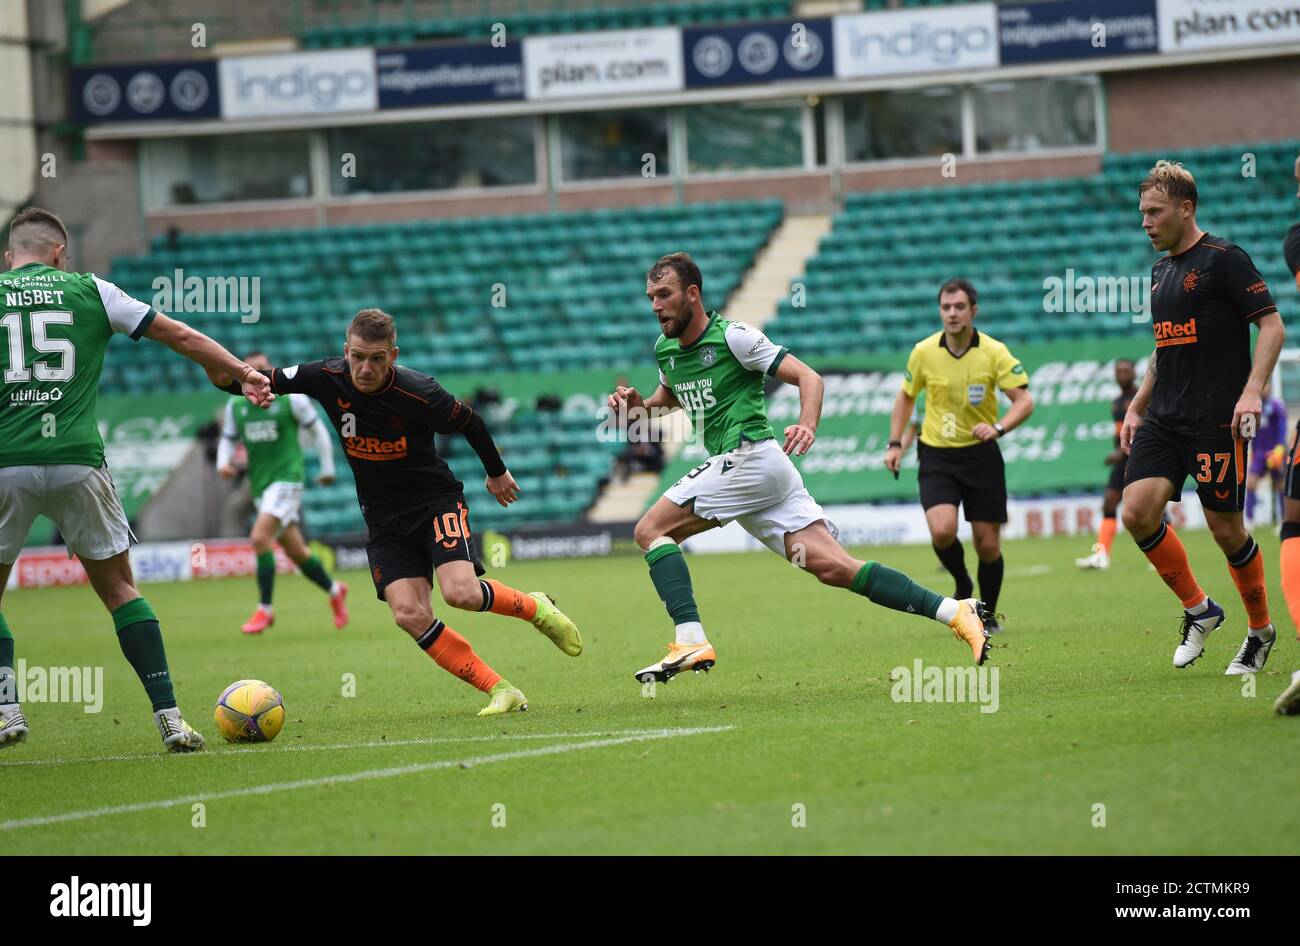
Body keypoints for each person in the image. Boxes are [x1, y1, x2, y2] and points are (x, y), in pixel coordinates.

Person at [608, 253, 992, 684]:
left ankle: (691, 638)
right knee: (835, 568)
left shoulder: (734, 338)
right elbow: (672, 398)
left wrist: (807, 424)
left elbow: (810, 378)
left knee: (650, 531)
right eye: (651, 297)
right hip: (761, 479)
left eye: (665, 295)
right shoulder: (666, 350)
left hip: (750, 458)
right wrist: (637, 407)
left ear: (692, 294)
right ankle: (955, 611)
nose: (656, 305)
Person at [210, 308, 582, 716]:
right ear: (345, 351)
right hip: (383, 517)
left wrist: (496, 473)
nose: (365, 368)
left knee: (461, 593)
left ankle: (537, 608)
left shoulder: (419, 391)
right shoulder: (324, 377)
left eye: (377, 359)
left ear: (394, 355)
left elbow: (470, 422)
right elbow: (259, 380)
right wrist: (220, 373)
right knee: (408, 614)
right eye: (357, 357)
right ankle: (502, 689)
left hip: (434, 501)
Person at [0, 207, 272, 752]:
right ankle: (170, 718)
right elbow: (182, 335)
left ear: (10, 258)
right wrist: (243, 372)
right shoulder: (91, 289)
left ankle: (6, 709)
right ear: (60, 252)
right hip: (78, 460)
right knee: (121, 590)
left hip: (6, 461)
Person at [1119, 160, 1284, 674]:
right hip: (1166, 416)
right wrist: (1139, 404)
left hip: (1217, 419)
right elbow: (1162, 351)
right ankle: (1200, 609)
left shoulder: (1225, 259)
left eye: (1155, 212)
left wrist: (1252, 392)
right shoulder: (1160, 270)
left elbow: (1273, 327)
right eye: (1142, 212)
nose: (1145, 222)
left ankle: (1260, 631)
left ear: (1185, 209)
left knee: (1225, 529)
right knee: (1136, 511)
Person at [885, 278, 1035, 633]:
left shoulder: (994, 351)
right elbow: (906, 396)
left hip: (981, 456)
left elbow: (1024, 401)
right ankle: (962, 582)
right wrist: (895, 443)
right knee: (941, 531)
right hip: (937, 455)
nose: (952, 314)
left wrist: (998, 428)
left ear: (973, 311)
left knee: (987, 544)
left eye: (959, 307)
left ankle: (987, 613)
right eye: (946, 307)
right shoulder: (923, 351)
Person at [217, 350, 349, 634]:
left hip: (288, 478)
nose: (257, 376)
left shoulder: (292, 399)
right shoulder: (235, 406)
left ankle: (265, 610)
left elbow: (319, 432)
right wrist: (222, 464)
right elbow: (227, 439)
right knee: (295, 550)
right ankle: (336, 590)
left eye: (262, 370)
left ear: (270, 370)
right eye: (250, 372)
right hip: (261, 484)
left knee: (259, 537)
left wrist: (327, 468)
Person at [1077, 359, 1138, 569]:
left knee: (1151, 509)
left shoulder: (1141, 398)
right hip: (1122, 459)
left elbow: (1144, 429)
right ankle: (1101, 554)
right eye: (1117, 371)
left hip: (1139, 457)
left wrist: (1119, 452)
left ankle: (1166, 557)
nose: (1121, 374)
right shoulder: (1117, 401)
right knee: (1109, 503)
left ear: (1134, 372)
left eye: (1125, 370)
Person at [1243, 381, 1287, 527]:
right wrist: (1252, 451)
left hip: (1275, 452)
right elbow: (1251, 432)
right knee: (1250, 483)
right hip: (1259, 454)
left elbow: (1282, 428)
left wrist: (1280, 449)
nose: (1263, 388)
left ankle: (1283, 520)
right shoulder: (1253, 407)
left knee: (1280, 485)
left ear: (1270, 387)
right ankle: (1249, 520)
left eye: (1266, 385)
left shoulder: (1276, 406)